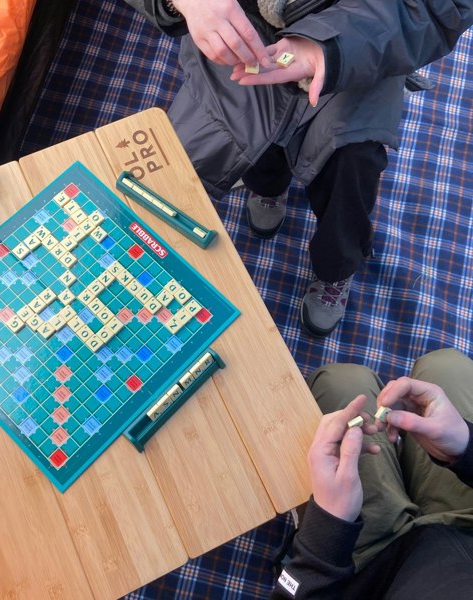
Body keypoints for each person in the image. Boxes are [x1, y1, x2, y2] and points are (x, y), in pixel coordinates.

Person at [123, 0, 473, 336]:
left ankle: (336, 269)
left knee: (349, 169)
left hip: (363, 46)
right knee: (248, 134)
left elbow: (440, 6)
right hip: (243, 34)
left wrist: (332, 46)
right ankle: (267, 188)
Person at [272, 347, 473, 599]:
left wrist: (326, 526)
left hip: (368, 573)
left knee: (340, 384)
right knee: (446, 366)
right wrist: (465, 445)